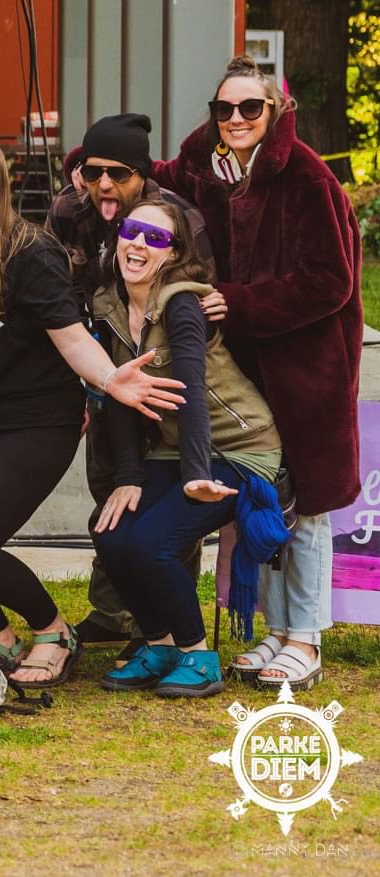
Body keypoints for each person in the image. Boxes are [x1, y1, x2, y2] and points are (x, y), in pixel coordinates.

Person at [0, 133, 184, 689]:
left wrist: (109, 378)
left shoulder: (31, 253)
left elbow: (73, 339)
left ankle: (53, 630)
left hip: (36, 421)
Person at [153, 57, 362, 691]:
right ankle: (275, 631)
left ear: (275, 114)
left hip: (307, 370)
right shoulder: (210, 173)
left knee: (308, 508)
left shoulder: (307, 178)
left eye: (251, 108)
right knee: (263, 500)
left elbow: (331, 282)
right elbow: (157, 176)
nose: (237, 119)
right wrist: (101, 153)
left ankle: (306, 638)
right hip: (248, 370)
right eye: (224, 109)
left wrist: (239, 301)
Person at [89, 200, 285, 698]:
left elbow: (192, 390)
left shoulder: (180, 303)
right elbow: (119, 395)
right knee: (111, 535)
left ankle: (198, 656)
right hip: (175, 449)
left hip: (240, 445)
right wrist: (128, 476)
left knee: (151, 544)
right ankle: (160, 644)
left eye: (155, 238)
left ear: (172, 253)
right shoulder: (109, 306)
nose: (138, 244)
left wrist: (197, 473)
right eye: (132, 231)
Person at [45, 112, 214, 659]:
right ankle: (113, 610)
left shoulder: (175, 217)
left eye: (119, 173)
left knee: (164, 500)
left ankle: (160, 621)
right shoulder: (71, 210)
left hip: (162, 371)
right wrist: (85, 375)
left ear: (142, 173)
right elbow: (55, 290)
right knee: (111, 486)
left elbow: (197, 296)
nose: (105, 186)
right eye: (93, 173)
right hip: (99, 364)